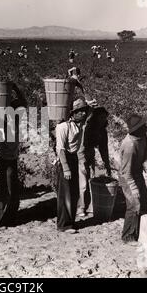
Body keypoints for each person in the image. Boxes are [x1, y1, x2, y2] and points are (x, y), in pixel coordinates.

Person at [0, 82, 27, 231]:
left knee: (11, 191)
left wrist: (15, 89)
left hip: (11, 160)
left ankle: (8, 218)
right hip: (6, 161)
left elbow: (24, 103)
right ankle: (0, 222)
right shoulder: (4, 123)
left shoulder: (14, 121)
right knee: (6, 191)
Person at [54, 98, 89, 232]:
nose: (83, 114)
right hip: (65, 160)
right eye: (79, 112)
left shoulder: (78, 124)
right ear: (72, 113)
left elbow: (89, 112)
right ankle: (63, 225)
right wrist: (66, 168)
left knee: (74, 192)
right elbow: (60, 149)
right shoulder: (63, 127)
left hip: (73, 158)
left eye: (84, 111)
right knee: (65, 194)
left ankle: (70, 221)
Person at [119, 114, 147, 244]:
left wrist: (146, 160)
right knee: (134, 204)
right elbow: (126, 172)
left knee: (143, 201)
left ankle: (139, 232)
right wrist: (133, 188)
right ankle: (128, 236)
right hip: (127, 177)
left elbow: (146, 148)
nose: (146, 128)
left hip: (136, 172)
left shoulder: (142, 136)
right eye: (143, 126)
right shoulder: (129, 145)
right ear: (136, 129)